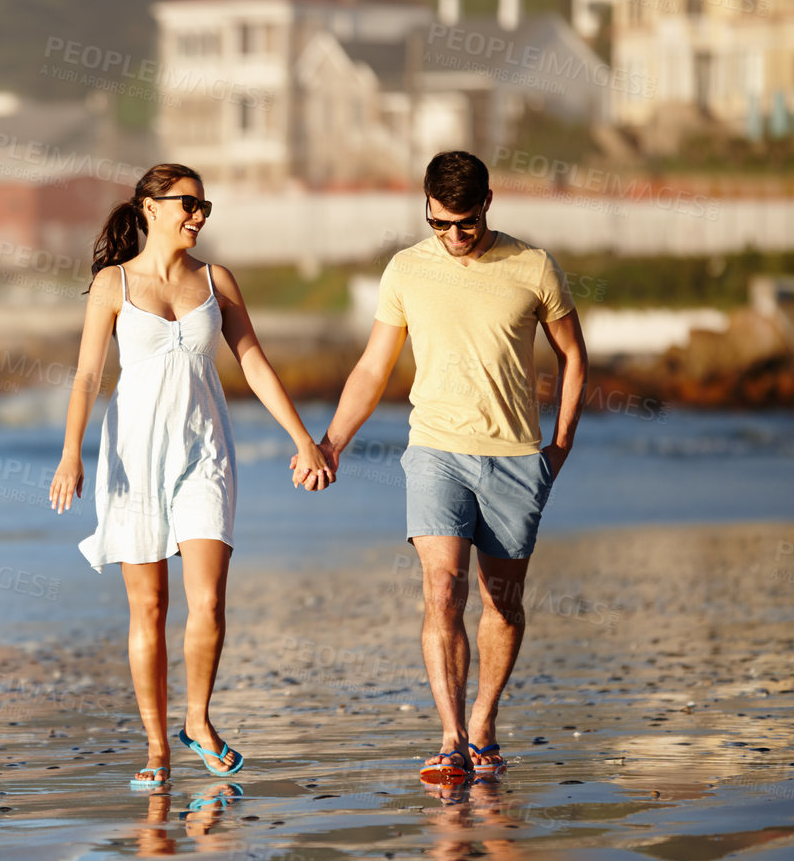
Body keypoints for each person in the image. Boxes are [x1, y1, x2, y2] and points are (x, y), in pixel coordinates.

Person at [293, 150, 587, 783]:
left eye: (465, 224)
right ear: (426, 210)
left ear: (487, 204)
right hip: (433, 452)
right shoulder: (406, 270)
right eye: (439, 223)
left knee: (501, 604)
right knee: (442, 589)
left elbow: (573, 357)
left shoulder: (533, 267)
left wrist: (559, 447)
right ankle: (452, 736)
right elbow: (374, 367)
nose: (453, 237)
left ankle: (484, 721)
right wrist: (333, 441)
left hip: (515, 458)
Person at [50, 163, 332, 788]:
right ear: (150, 207)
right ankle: (156, 747)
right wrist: (71, 452)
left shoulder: (216, 280)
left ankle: (197, 722)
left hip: (206, 454)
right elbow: (88, 377)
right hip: (134, 457)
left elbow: (253, 361)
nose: (199, 215)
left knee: (208, 600)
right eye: (188, 204)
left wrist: (303, 439)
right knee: (149, 606)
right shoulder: (112, 284)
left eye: (205, 205)